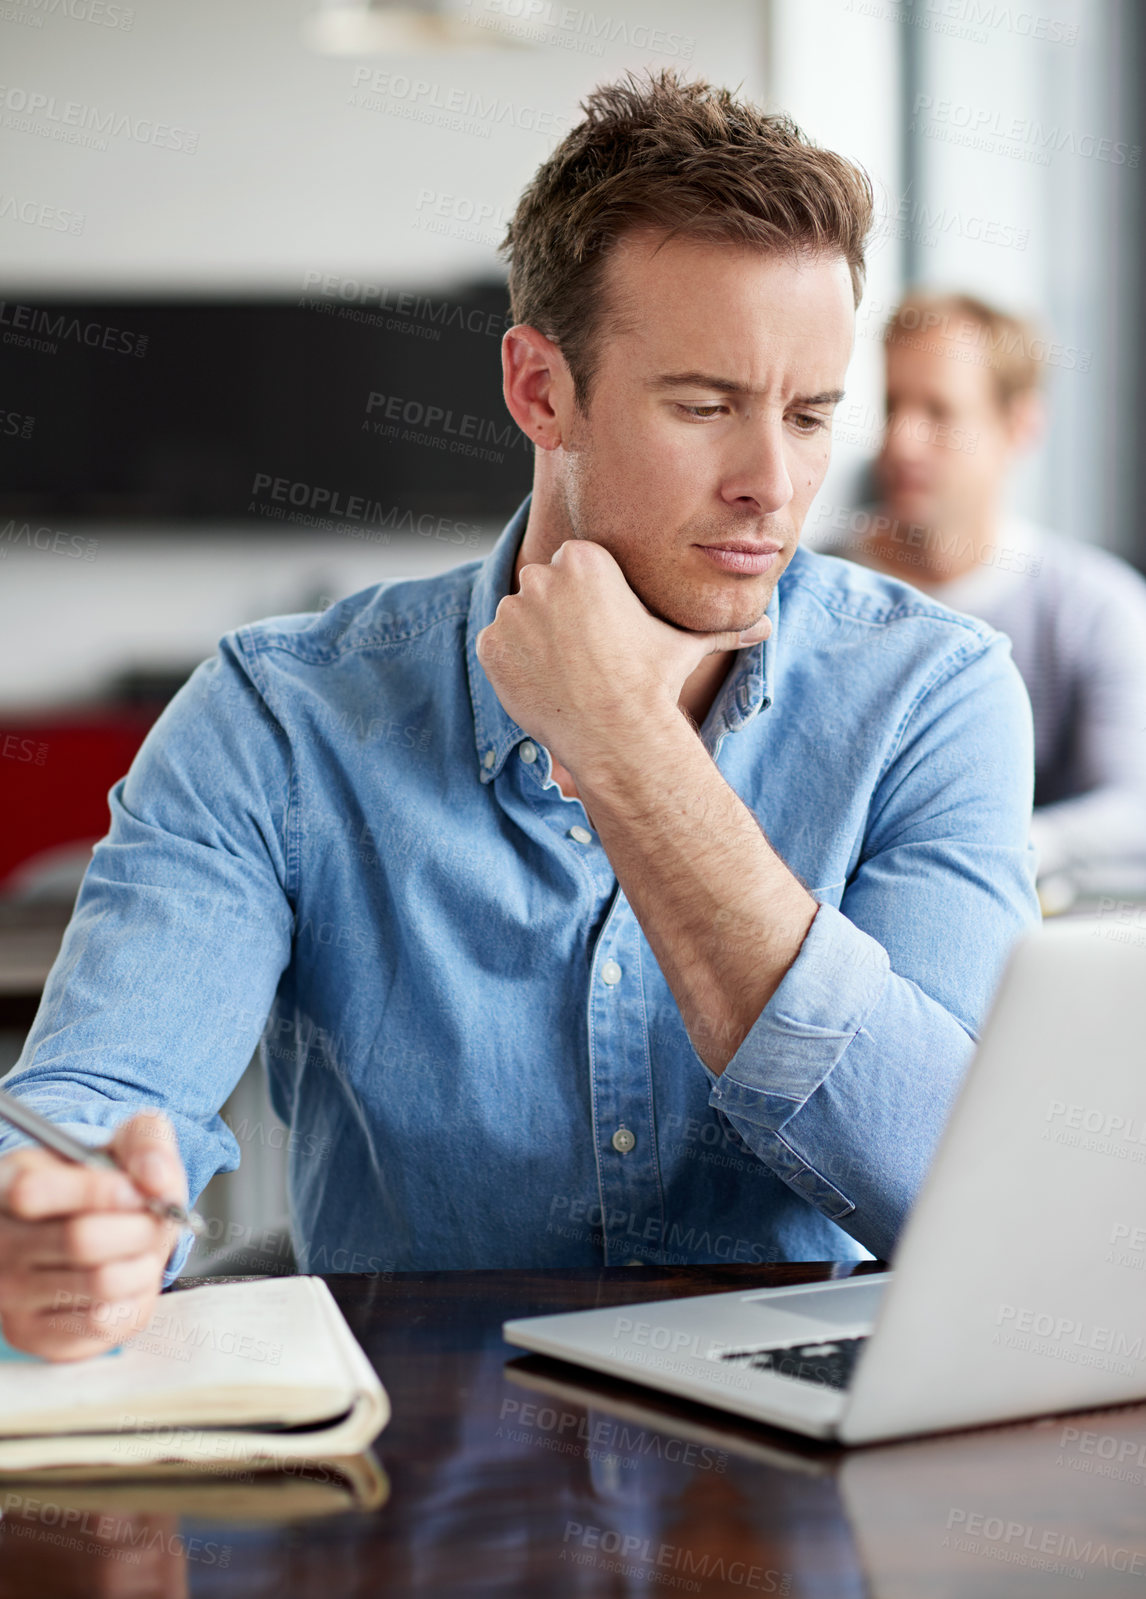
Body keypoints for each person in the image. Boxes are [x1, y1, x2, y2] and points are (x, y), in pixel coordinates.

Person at [0, 72, 1039, 1361]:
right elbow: (96, 1105)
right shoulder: (281, 716)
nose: (773, 484)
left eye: (813, 416)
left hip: (798, 1509)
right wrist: (60, 1229)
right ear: (540, 390)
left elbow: (966, 1195)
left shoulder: (933, 697)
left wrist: (627, 750)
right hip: (409, 1491)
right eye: (705, 406)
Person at [820, 291, 1146, 898]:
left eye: (939, 413)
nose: (901, 442)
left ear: (1019, 425)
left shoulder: (1097, 608)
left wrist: (985, 849)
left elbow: (1134, 809)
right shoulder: (814, 587)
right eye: (895, 406)